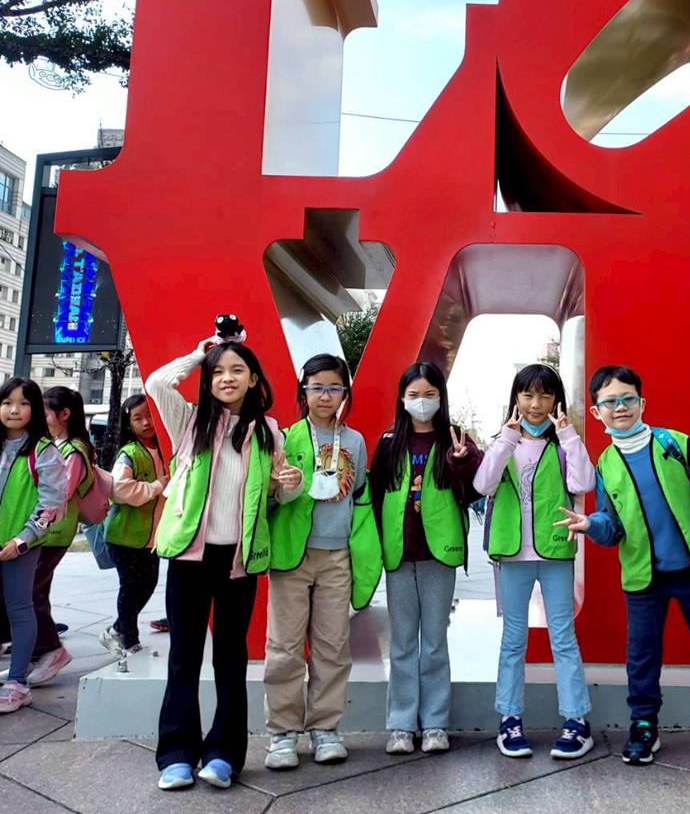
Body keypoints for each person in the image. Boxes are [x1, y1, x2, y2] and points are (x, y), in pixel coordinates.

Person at [556, 365, 690, 768]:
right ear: (596, 412)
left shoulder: (674, 443)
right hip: (643, 577)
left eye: (628, 398)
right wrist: (591, 525)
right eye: (610, 402)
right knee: (642, 657)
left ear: (642, 403)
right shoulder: (606, 464)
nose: (620, 407)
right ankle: (644, 725)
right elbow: (612, 528)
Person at [147, 329, 302, 790]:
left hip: (239, 561)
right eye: (218, 372)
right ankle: (177, 754)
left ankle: (224, 755)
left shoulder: (269, 432)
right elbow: (157, 383)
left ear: (254, 379)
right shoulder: (189, 421)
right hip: (189, 558)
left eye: (237, 370)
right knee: (184, 657)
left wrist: (289, 484)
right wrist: (199, 354)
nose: (226, 378)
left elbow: (276, 495)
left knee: (231, 660)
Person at [264, 354, 381, 770]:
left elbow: (359, 497)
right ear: (304, 391)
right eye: (317, 387)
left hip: (337, 556)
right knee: (284, 647)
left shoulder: (356, 442)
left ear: (344, 393)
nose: (326, 396)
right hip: (291, 556)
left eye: (334, 388)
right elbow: (269, 498)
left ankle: (325, 729)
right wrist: (283, 489)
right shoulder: (285, 438)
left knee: (333, 646)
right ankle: (282, 734)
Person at [473, 364, 594, 760]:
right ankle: (509, 719)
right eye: (527, 395)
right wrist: (506, 440)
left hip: (555, 552)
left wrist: (570, 436)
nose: (536, 404)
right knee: (513, 639)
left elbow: (584, 483)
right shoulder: (504, 442)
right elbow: (482, 484)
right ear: (516, 398)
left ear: (557, 400)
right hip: (513, 555)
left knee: (563, 638)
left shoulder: (563, 444)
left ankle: (576, 721)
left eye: (544, 395)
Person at [369, 361, 481, 756]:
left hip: (439, 554)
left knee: (434, 641)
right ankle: (401, 725)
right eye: (414, 394)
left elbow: (473, 491)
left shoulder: (455, 438)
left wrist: (462, 460)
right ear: (402, 398)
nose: (422, 401)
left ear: (441, 397)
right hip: (399, 556)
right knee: (402, 642)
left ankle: (434, 723)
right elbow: (376, 496)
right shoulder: (388, 442)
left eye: (429, 394)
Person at [21, 387, 96, 687]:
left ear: (64, 414)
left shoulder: (73, 451)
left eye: (44, 412)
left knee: (28, 593)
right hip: (46, 531)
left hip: (52, 532)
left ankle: (52, 650)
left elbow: (59, 493)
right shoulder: (57, 446)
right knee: (36, 592)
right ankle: (36, 655)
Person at [0, 378, 65, 714]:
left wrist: (22, 541)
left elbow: (51, 506)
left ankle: (18, 684)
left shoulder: (43, 451)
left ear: (35, 409)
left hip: (19, 547)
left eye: (24, 403)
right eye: (7, 402)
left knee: (20, 609)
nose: (14, 410)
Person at [101, 394, 168, 656]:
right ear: (129, 424)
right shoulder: (129, 453)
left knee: (147, 584)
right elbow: (118, 489)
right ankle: (128, 638)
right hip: (125, 536)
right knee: (131, 588)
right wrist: (156, 486)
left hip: (150, 537)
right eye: (138, 418)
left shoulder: (163, 449)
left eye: (149, 416)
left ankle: (118, 630)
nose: (146, 423)